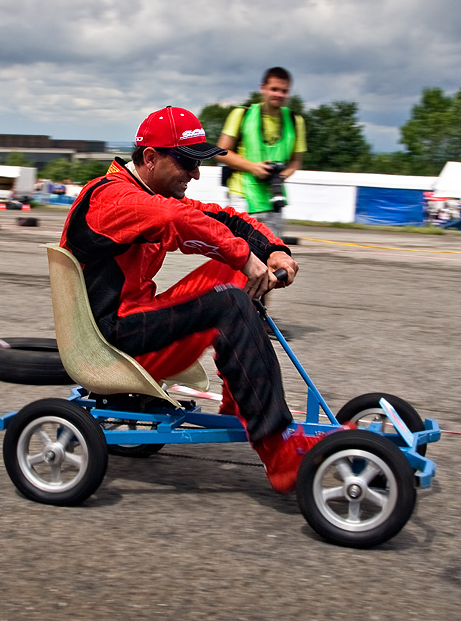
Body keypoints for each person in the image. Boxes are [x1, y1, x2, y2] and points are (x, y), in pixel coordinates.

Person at [60, 105, 320, 493]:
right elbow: (177, 221)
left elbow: (222, 219)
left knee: (230, 276)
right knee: (230, 297)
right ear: (150, 158)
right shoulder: (113, 198)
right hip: (112, 341)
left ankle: (240, 401)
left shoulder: (149, 194)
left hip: (138, 325)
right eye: (187, 163)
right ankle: (279, 452)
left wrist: (272, 251)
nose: (196, 174)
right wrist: (245, 259)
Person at [216, 67, 307, 238]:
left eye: (284, 91)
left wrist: (279, 177)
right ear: (263, 88)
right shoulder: (242, 114)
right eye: (274, 89)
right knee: (238, 254)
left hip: (273, 197)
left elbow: (296, 162)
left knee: (273, 254)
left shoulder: (296, 121)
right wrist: (253, 167)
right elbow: (221, 152)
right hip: (242, 195)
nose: (279, 94)